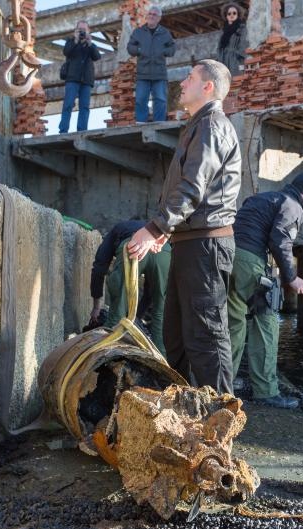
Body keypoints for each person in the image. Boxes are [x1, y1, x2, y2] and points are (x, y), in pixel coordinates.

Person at [127, 59, 240, 394]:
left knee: (205, 335)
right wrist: (168, 231)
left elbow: (193, 188)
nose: (181, 83)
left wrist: (154, 228)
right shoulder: (197, 126)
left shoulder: (211, 126)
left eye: (190, 78)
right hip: (190, 243)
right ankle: (186, 412)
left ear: (208, 86)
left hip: (206, 246)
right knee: (176, 336)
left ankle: (221, 420)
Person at [227, 173, 303, 409]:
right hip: (251, 262)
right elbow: (280, 239)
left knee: (234, 323)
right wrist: (292, 277)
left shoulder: (261, 199)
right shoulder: (293, 206)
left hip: (228, 258)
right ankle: (266, 392)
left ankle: (223, 383)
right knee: (266, 323)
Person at [89, 220, 170, 354]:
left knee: (118, 314)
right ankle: (162, 365)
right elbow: (150, 293)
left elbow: (99, 268)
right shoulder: (154, 227)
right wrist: (137, 316)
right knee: (161, 314)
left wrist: (96, 307)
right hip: (163, 249)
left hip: (133, 245)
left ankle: (111, 356)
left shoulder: (117, 229)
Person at [127, 5, 176, 123]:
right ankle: (141, 123)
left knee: (160, 99)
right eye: (149, 14)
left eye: (154, 15)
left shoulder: (165, 33)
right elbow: (130, 47)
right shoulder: (138, 32)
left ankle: (159, 124)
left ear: (159, 18)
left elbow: (172, 48)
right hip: (143, 73)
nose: (151, 16)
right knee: (140, 99)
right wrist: (139, 50)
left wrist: (163, 51)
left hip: (159, 74)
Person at [59, 21, 101, 133]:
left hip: (86, 80)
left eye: (84, 30)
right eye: (80, 30)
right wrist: (76, 41)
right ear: (75, 31)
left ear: (88, 31)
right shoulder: (70, 42)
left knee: (85, 107)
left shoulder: (91, 45)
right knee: (68, 104)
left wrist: (90, 43)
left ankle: (82, 130)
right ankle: (63, 130)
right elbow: (66, 52)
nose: (82, 32)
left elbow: (97, 57)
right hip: (72, 78)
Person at [217, 3, 249, 76]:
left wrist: (237, 57)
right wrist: (219, 60)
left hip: (236, 62)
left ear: (238, 15)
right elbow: (219, 48)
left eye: (234, 13)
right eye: (229, 13)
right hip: (224, 62)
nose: (232, 15)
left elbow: (244, 44)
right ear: (226, 15)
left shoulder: (242, 29)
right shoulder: (224, 32)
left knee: (237, 81)